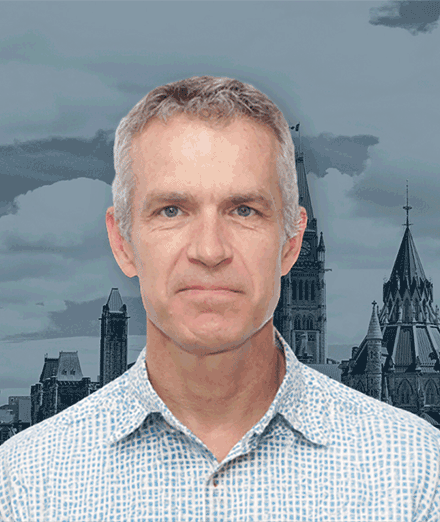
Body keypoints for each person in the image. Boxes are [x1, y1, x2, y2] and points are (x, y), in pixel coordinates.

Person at [0, 76, 439, 521]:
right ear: (122, 243)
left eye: (244, 210)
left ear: (292, 244)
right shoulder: (25, 482)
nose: (209, 250)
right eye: (171, 210)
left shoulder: (416, 469)